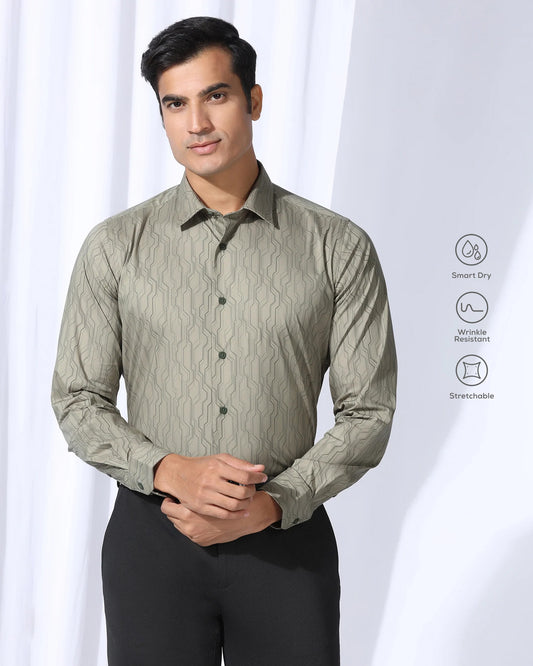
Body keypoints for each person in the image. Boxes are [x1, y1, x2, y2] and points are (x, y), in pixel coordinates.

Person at [51, 16, 397, 666]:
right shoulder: (114, 247)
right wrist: (169, 470)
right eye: (175, 104)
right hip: (153, 543)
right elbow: (77, 398)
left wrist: (274, 504)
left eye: (216, 95)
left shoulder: (337, 247)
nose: (197, 123)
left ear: (253, 100)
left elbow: (368, 412)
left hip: (286, 546)